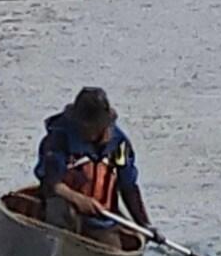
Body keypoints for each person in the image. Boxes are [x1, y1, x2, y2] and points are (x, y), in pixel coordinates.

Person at [36, 86, 163, 242]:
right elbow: (51, 183)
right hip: (66, 211)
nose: (85, 130)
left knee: (129, 240)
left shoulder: (118, 145)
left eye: (91, 126)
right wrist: (77, 199)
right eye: (83, 125)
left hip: (101, 218)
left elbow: (128, 186)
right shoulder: (60, 138)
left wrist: (145, 224)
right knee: (62, 209)